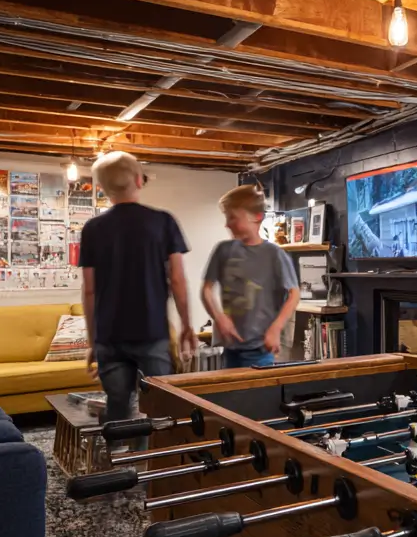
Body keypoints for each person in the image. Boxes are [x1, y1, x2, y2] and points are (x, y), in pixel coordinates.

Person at [79, 151, 199, 424]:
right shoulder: (163, 221)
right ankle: (149, 452)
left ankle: (118, 450)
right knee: (159, 409)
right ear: (138, 180)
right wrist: (187, 326)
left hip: (110, 336)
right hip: (152, 332)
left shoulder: (93, 229)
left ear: (102, 188)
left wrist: (92, 340)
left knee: (117, 408)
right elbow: (177, 280)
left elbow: (89, 290)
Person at [202, 185, 300, 369]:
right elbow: (206, 289)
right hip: (230, 348)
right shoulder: (223, 250)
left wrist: (276, 328)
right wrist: (218, 317)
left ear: (257, 217)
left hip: (260, 350)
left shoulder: (274, 255)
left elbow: (294, 294)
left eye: (233, 217)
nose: (227, 224)